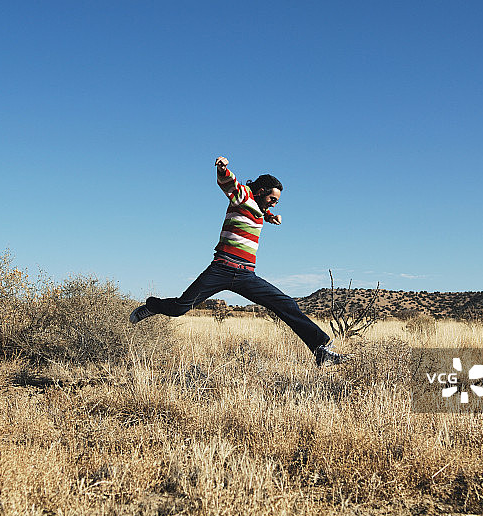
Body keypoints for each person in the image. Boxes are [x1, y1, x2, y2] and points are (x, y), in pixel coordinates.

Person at [130, 156, 348, 367]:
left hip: (246, 275)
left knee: (287, 304)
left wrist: (270, 216)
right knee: (180, 308)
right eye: (272, 199)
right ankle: (152, 306)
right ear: (261, 192)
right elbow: (229, 184)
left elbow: (259, 211)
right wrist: (222, 169)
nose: (274, 204)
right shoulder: (242, 196)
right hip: (221, 269)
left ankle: (320, 350)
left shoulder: (260, 209)